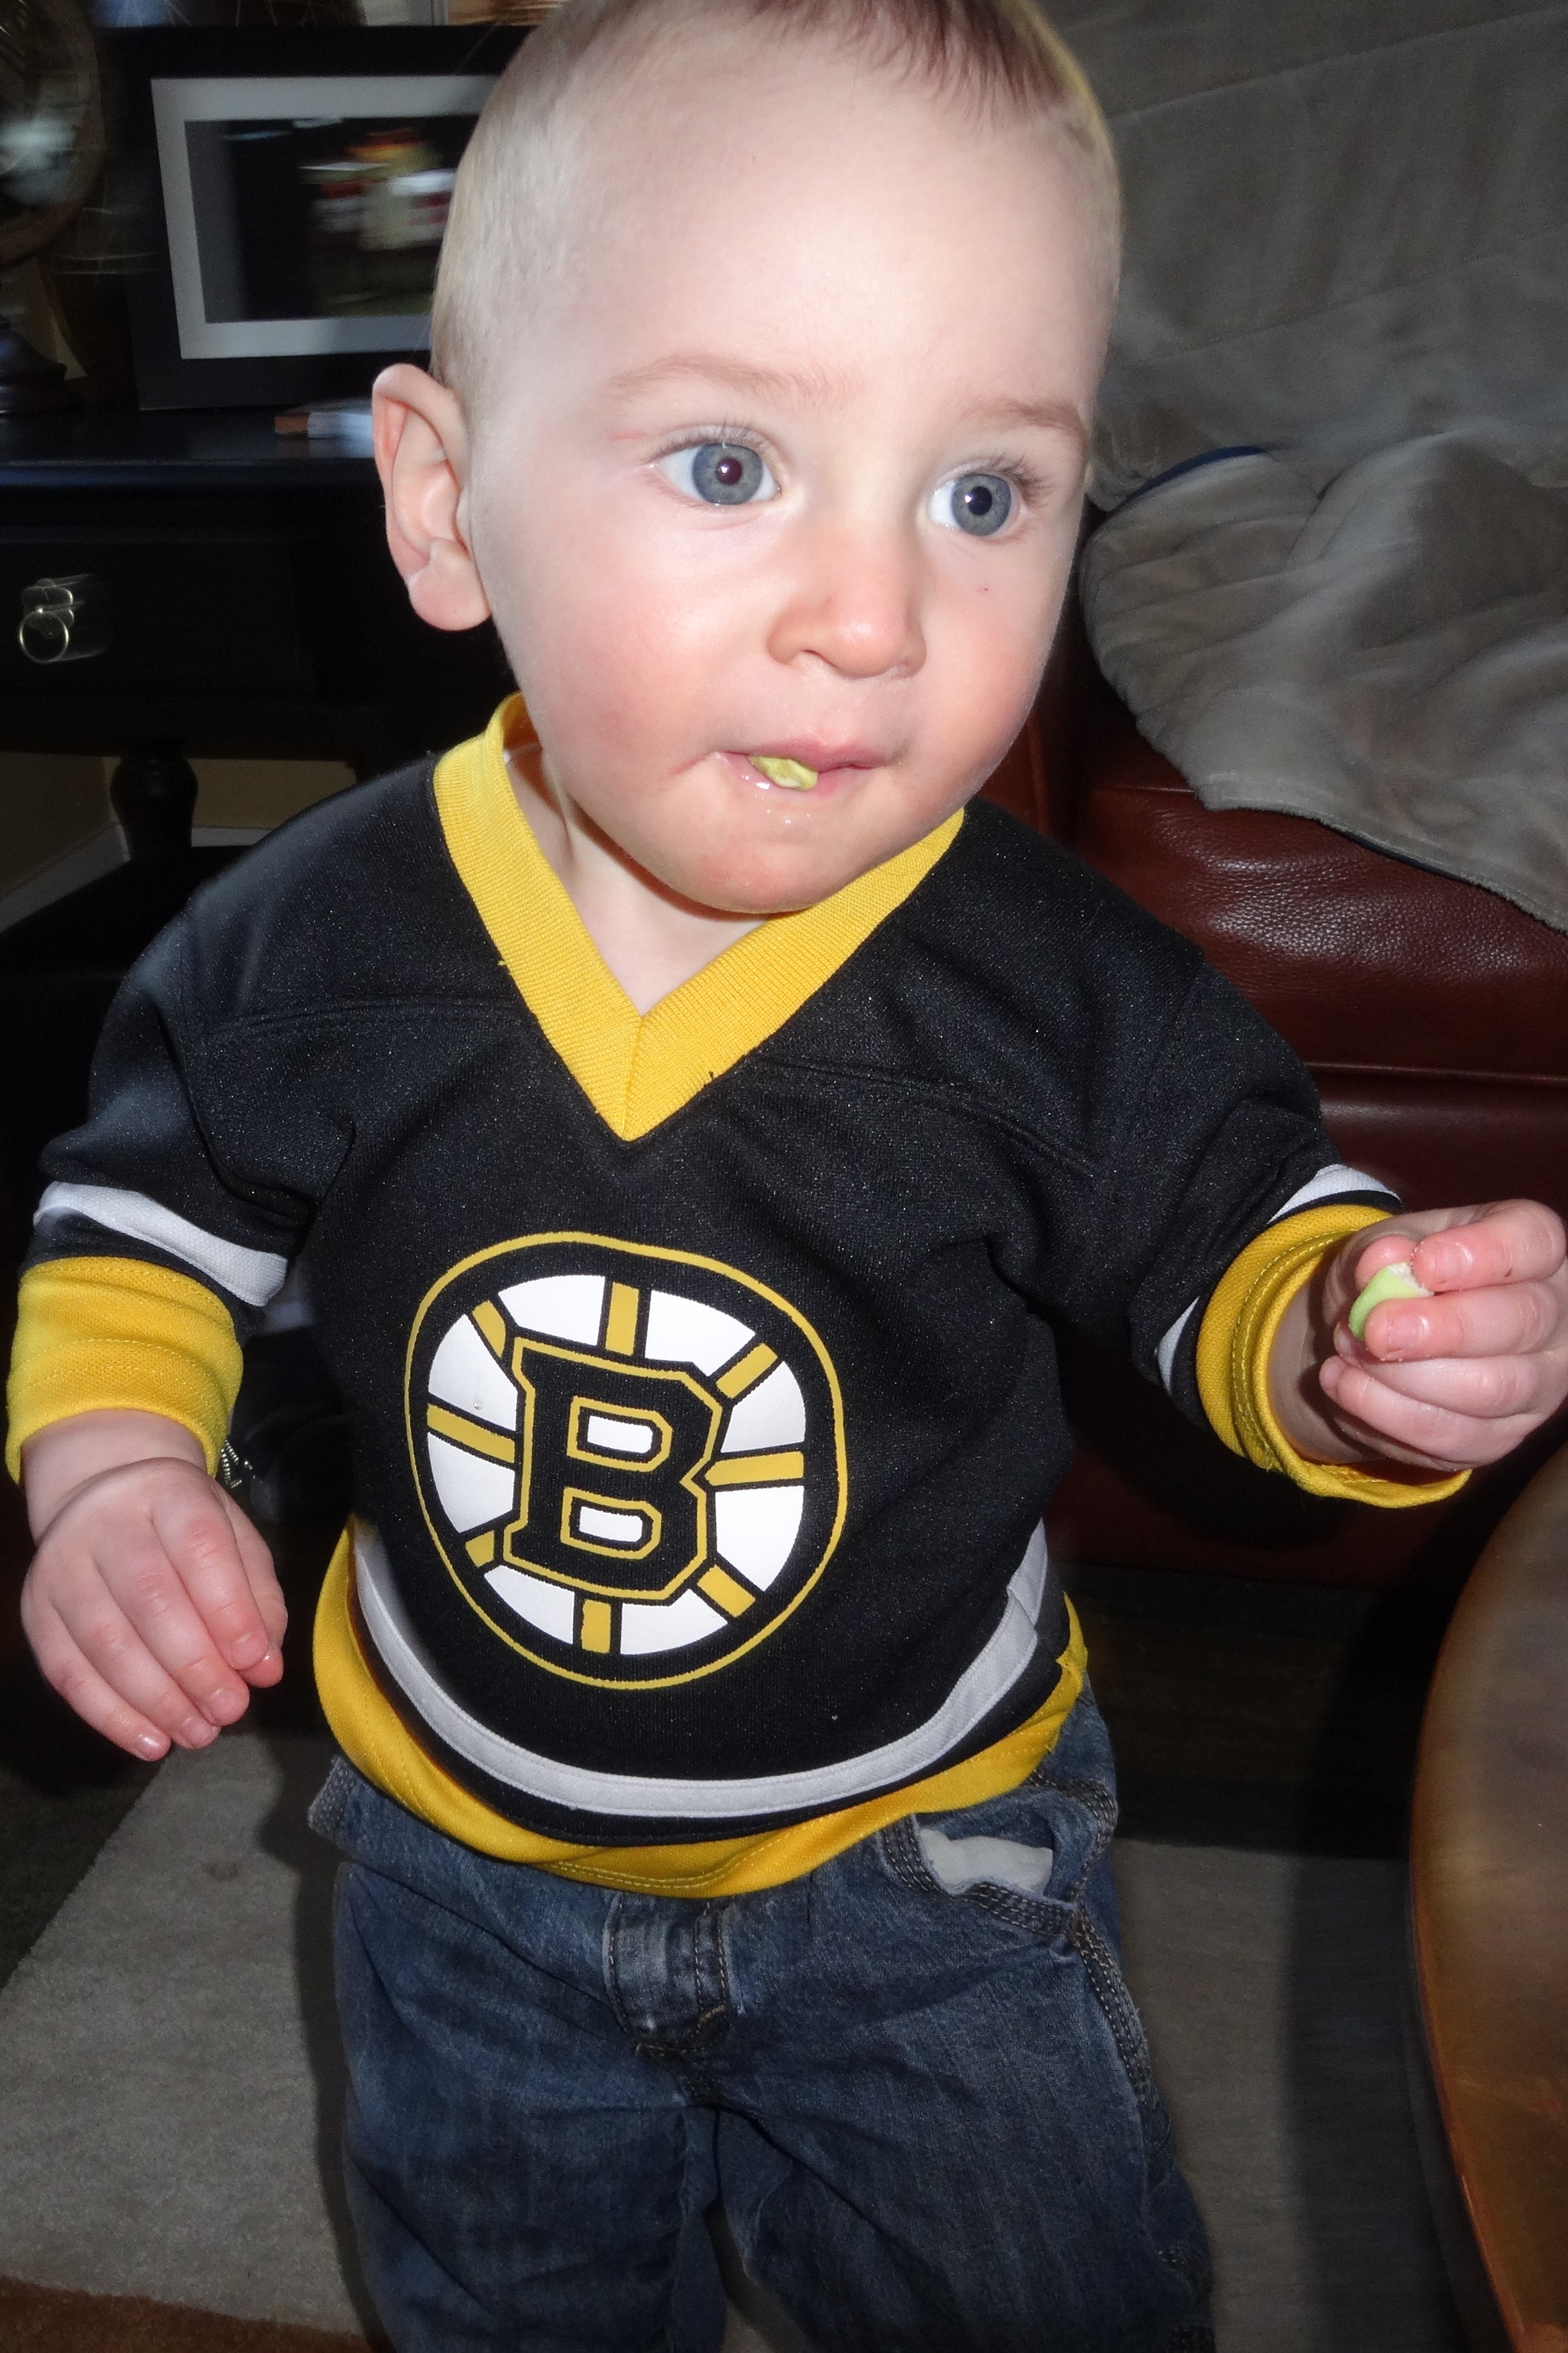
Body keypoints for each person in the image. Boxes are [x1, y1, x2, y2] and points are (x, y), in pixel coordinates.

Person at [9, 2, 1567, 2346]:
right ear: (444, 504)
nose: (874, 616)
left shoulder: (1051, 989)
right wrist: (117, 1463)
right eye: (733, 463)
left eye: (983, 495)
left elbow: (1229, 1243)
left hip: (923, 1874)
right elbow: (141, 1235)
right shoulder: (307, 946)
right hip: (452, 1860)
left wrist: (1349, 1343)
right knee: (504, 2308)